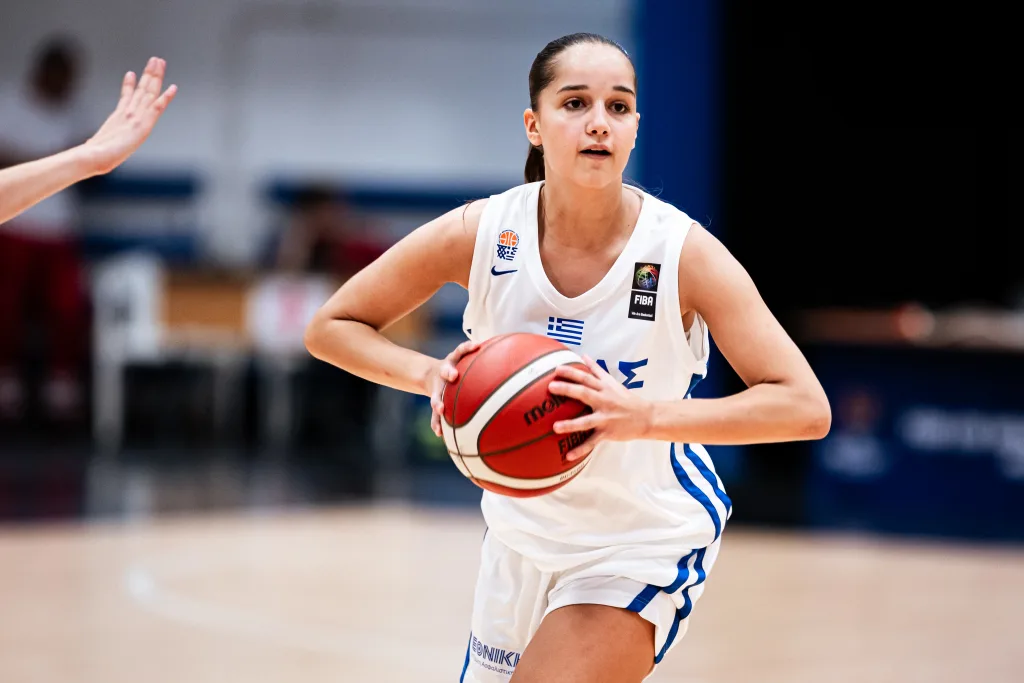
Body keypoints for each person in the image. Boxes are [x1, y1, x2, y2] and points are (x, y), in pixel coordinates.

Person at [304, 33, 831, 683]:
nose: (598, 123)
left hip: (640, 539)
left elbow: (804, 406)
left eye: (618, 106)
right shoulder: (484, 232)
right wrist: (433, 376)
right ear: (534, 125)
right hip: (517, 539)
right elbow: (331, 327)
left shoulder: (681, 253)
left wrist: (644, 416)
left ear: (635, 128)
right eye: (576, 103)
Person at [0, 47, 176, 423]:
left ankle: (61, 385)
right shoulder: (11, 105)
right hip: (14, 231)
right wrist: (65, 159)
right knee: (6, 307)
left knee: (69, 306)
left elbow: (87, 163)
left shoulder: (75, 111)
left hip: (58, 230)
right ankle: (7, 381)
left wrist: (84, 159)